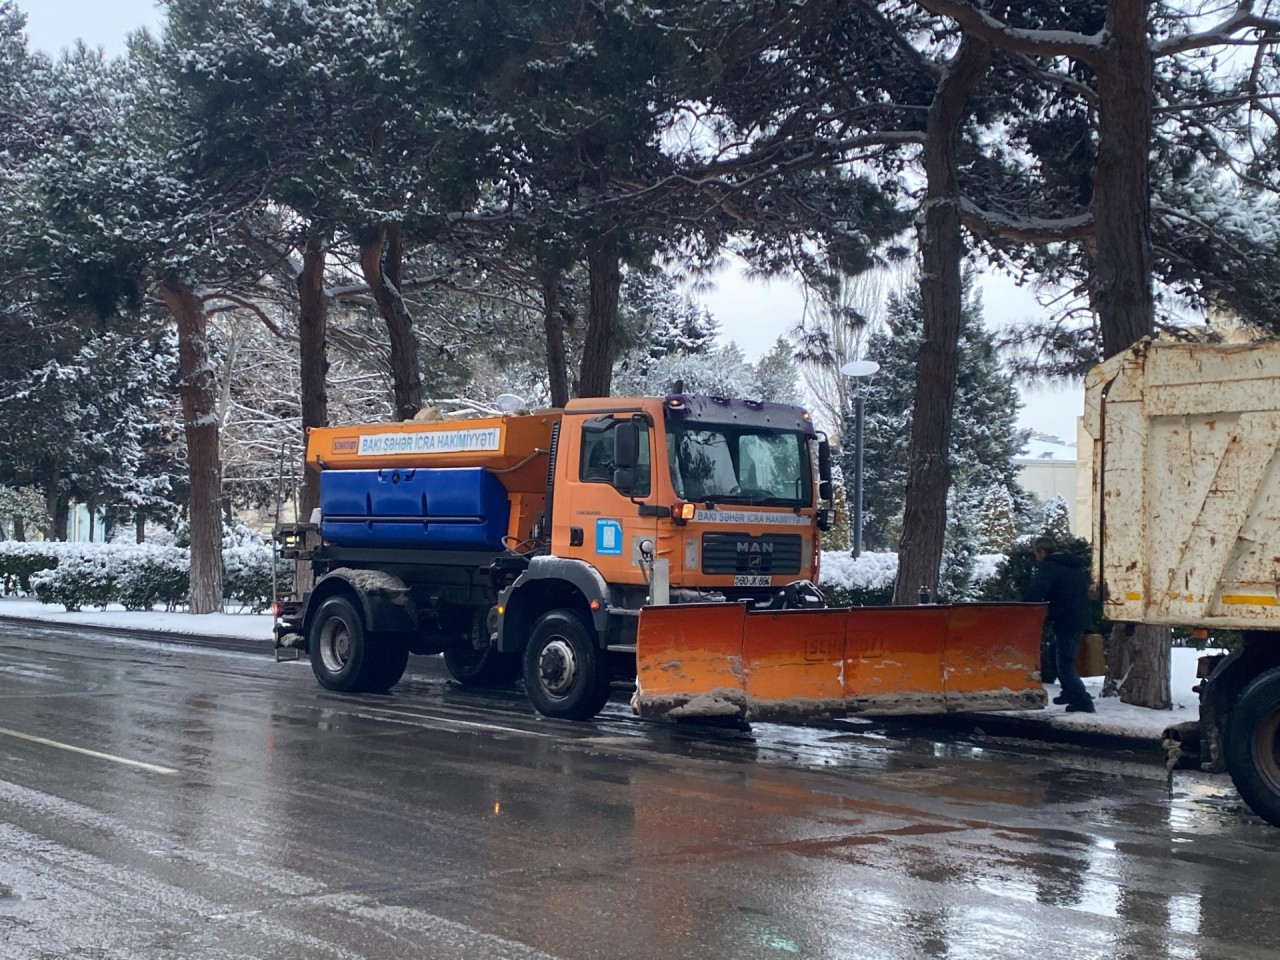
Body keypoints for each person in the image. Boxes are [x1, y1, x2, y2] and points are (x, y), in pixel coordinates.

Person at [1027, 536, 1095, 713]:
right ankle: (1068, 692)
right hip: (1077, 618)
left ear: (1041, 552)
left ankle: (1083, 700)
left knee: (1064, 662)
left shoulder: (1049, 568)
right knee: (1058, 657)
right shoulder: (1072, 567)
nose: (1037, 557)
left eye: (1036, 553)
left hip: (1065, 620)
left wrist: (1024, 605)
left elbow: (1037, 591)